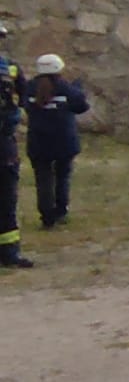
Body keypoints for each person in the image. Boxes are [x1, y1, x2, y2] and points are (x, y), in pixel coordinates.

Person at [24, 55, 89, 229]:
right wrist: (78, 88)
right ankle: (61, 211)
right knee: (62, 176)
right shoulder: (66, 88)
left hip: (38, 142)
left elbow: (27, 106)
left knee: (43, 179)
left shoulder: (30, 88)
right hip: (64, 141)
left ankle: (46, 217)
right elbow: (82, 106)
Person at [0, 24, 27, 269]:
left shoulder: (11, 67)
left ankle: (9, 253)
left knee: (7, 199)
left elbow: (25, 94)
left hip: (4, 142)